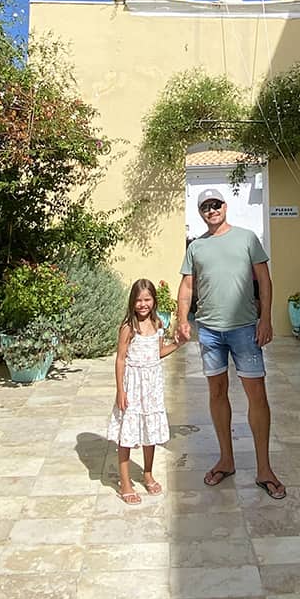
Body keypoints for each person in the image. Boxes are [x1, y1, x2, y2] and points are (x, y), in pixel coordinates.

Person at [176, 188, 286, 499]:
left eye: (216, 204)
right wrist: (182, 319)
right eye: (205, 207)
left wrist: (265, 319)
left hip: (245, 330)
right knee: (217, 393)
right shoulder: (196, 247)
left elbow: (264, 280)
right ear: (201, 212)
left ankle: (264, 468)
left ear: (225, 206)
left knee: (257, 396)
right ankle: (226, 459)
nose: (211, 210)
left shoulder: (247, 238)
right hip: (210, 332)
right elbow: (187, 286)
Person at [107, 278, 180, 504]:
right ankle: (125, 482)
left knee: (150, 431)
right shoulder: (128, 328)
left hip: (152, 386)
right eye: (138, 300)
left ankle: (147, 474)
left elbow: (158, 352)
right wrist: (121, 391)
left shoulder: (158, 324)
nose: (143, 304)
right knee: (127, 434)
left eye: (147, 299)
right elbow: (120, 360)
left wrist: (178, 343)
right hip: (132, 384)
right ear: (132, 302)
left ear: (154, 301)